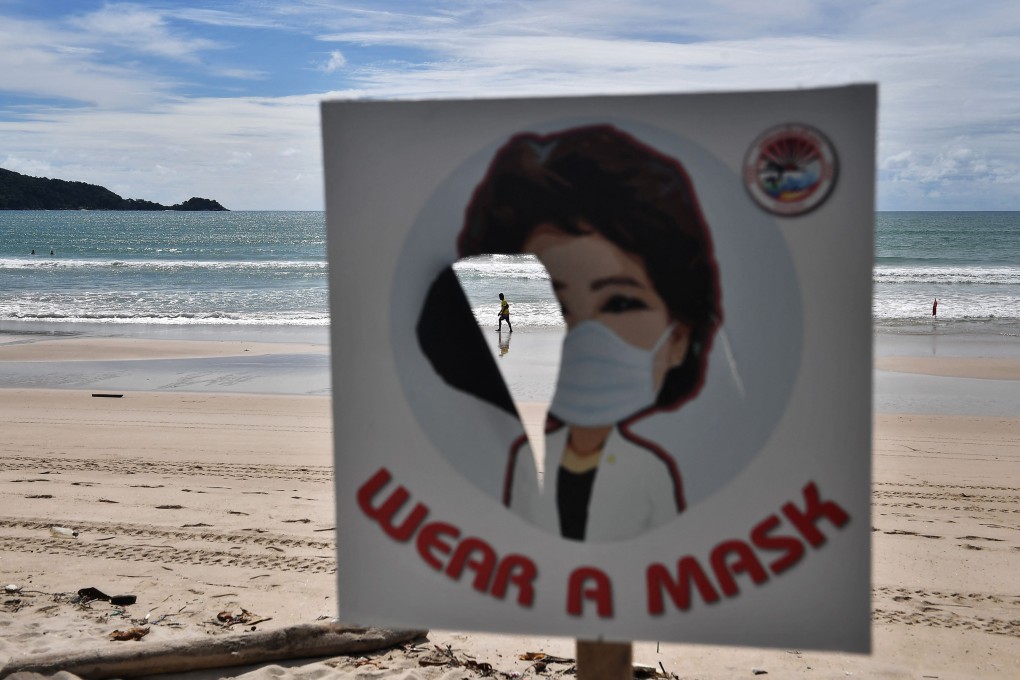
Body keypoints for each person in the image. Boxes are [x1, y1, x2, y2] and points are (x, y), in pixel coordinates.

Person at [455, 124, 722, 542]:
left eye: (620, 303)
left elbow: (668, 558)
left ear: (679, 338)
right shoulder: (527, 462)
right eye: (551, 307)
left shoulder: (650, 472)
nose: (584, 338)